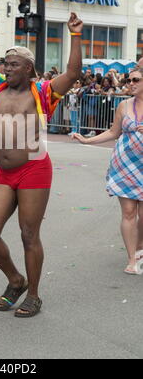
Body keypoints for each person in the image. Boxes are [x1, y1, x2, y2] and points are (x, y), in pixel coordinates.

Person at [0, 2, 83, 318]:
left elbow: (73, 73)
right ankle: (16, 279)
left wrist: (76, 35)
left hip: (34, 168)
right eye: (5, 64)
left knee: (29, 235)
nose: (7, 68)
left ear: (28, 68)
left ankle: (35, 295)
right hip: (5, 172)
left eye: (13, 64)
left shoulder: (43, 91)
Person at [72, 66, 143, 275]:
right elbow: (113, 132)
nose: (130, 83)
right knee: (129, 212)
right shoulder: (124, 105)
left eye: (136, 80)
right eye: (129, 80)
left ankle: (140, 247)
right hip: (125, 164)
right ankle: (132, 258)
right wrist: (86, 139)